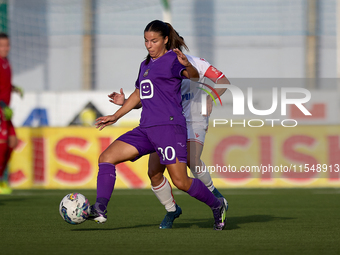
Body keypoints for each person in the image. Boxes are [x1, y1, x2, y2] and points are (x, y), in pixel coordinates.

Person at [90, 20, 227, 230]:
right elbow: (139, 94)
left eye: (153, 41)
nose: (148, 45)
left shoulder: (173, 60)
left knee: (181, 181)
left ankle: (217, 204)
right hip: (146, 129)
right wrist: (116, 115)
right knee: (107, 158)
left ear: (164, 40)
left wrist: (187, 65)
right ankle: (100, 208)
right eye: (146, 41)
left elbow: (193, 76)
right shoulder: (145, 65)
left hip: (169, 128)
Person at [110, 54, 230, 228]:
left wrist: (209, 97)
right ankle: (171, 209)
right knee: (154, 172)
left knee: (191, 160)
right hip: (167, 122)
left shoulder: (198, 63)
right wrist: (125, 102)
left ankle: (218, 199)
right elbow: (149, 99)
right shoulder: (160, 65)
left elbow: (223, 81)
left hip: (194, 119)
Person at [0, 33, 23, 194]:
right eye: (2, 45)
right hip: (1, 110)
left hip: (5, 112)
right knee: (2, 145)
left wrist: (13, 87)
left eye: (7, 45)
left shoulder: (6, 62)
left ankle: (1, 179)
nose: (6, 48)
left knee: (13, 142)